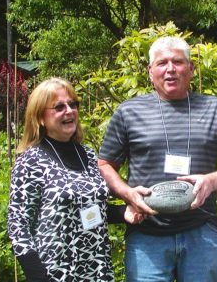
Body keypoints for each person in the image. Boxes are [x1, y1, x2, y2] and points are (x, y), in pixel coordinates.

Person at [98, 36, 217, 281]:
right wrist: (127, 193)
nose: (170, 69)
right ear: (150, 72)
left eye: (178, 62)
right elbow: (105, 165)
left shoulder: (215, 109)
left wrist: (211, 181)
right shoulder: (129, 112)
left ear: (191, 69)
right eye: (162, 63)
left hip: (201, 231)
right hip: (147, 234)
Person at [8, 77, 143, 282]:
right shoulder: (31, 161)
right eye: (59, 107)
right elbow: (18, 226)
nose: (69, 111)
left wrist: (125, 212)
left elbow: (90, 208)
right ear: (40, 117)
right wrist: (38, 277)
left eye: (73, 104)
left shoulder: (87, 155)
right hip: (55, 273)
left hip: (97, 269)